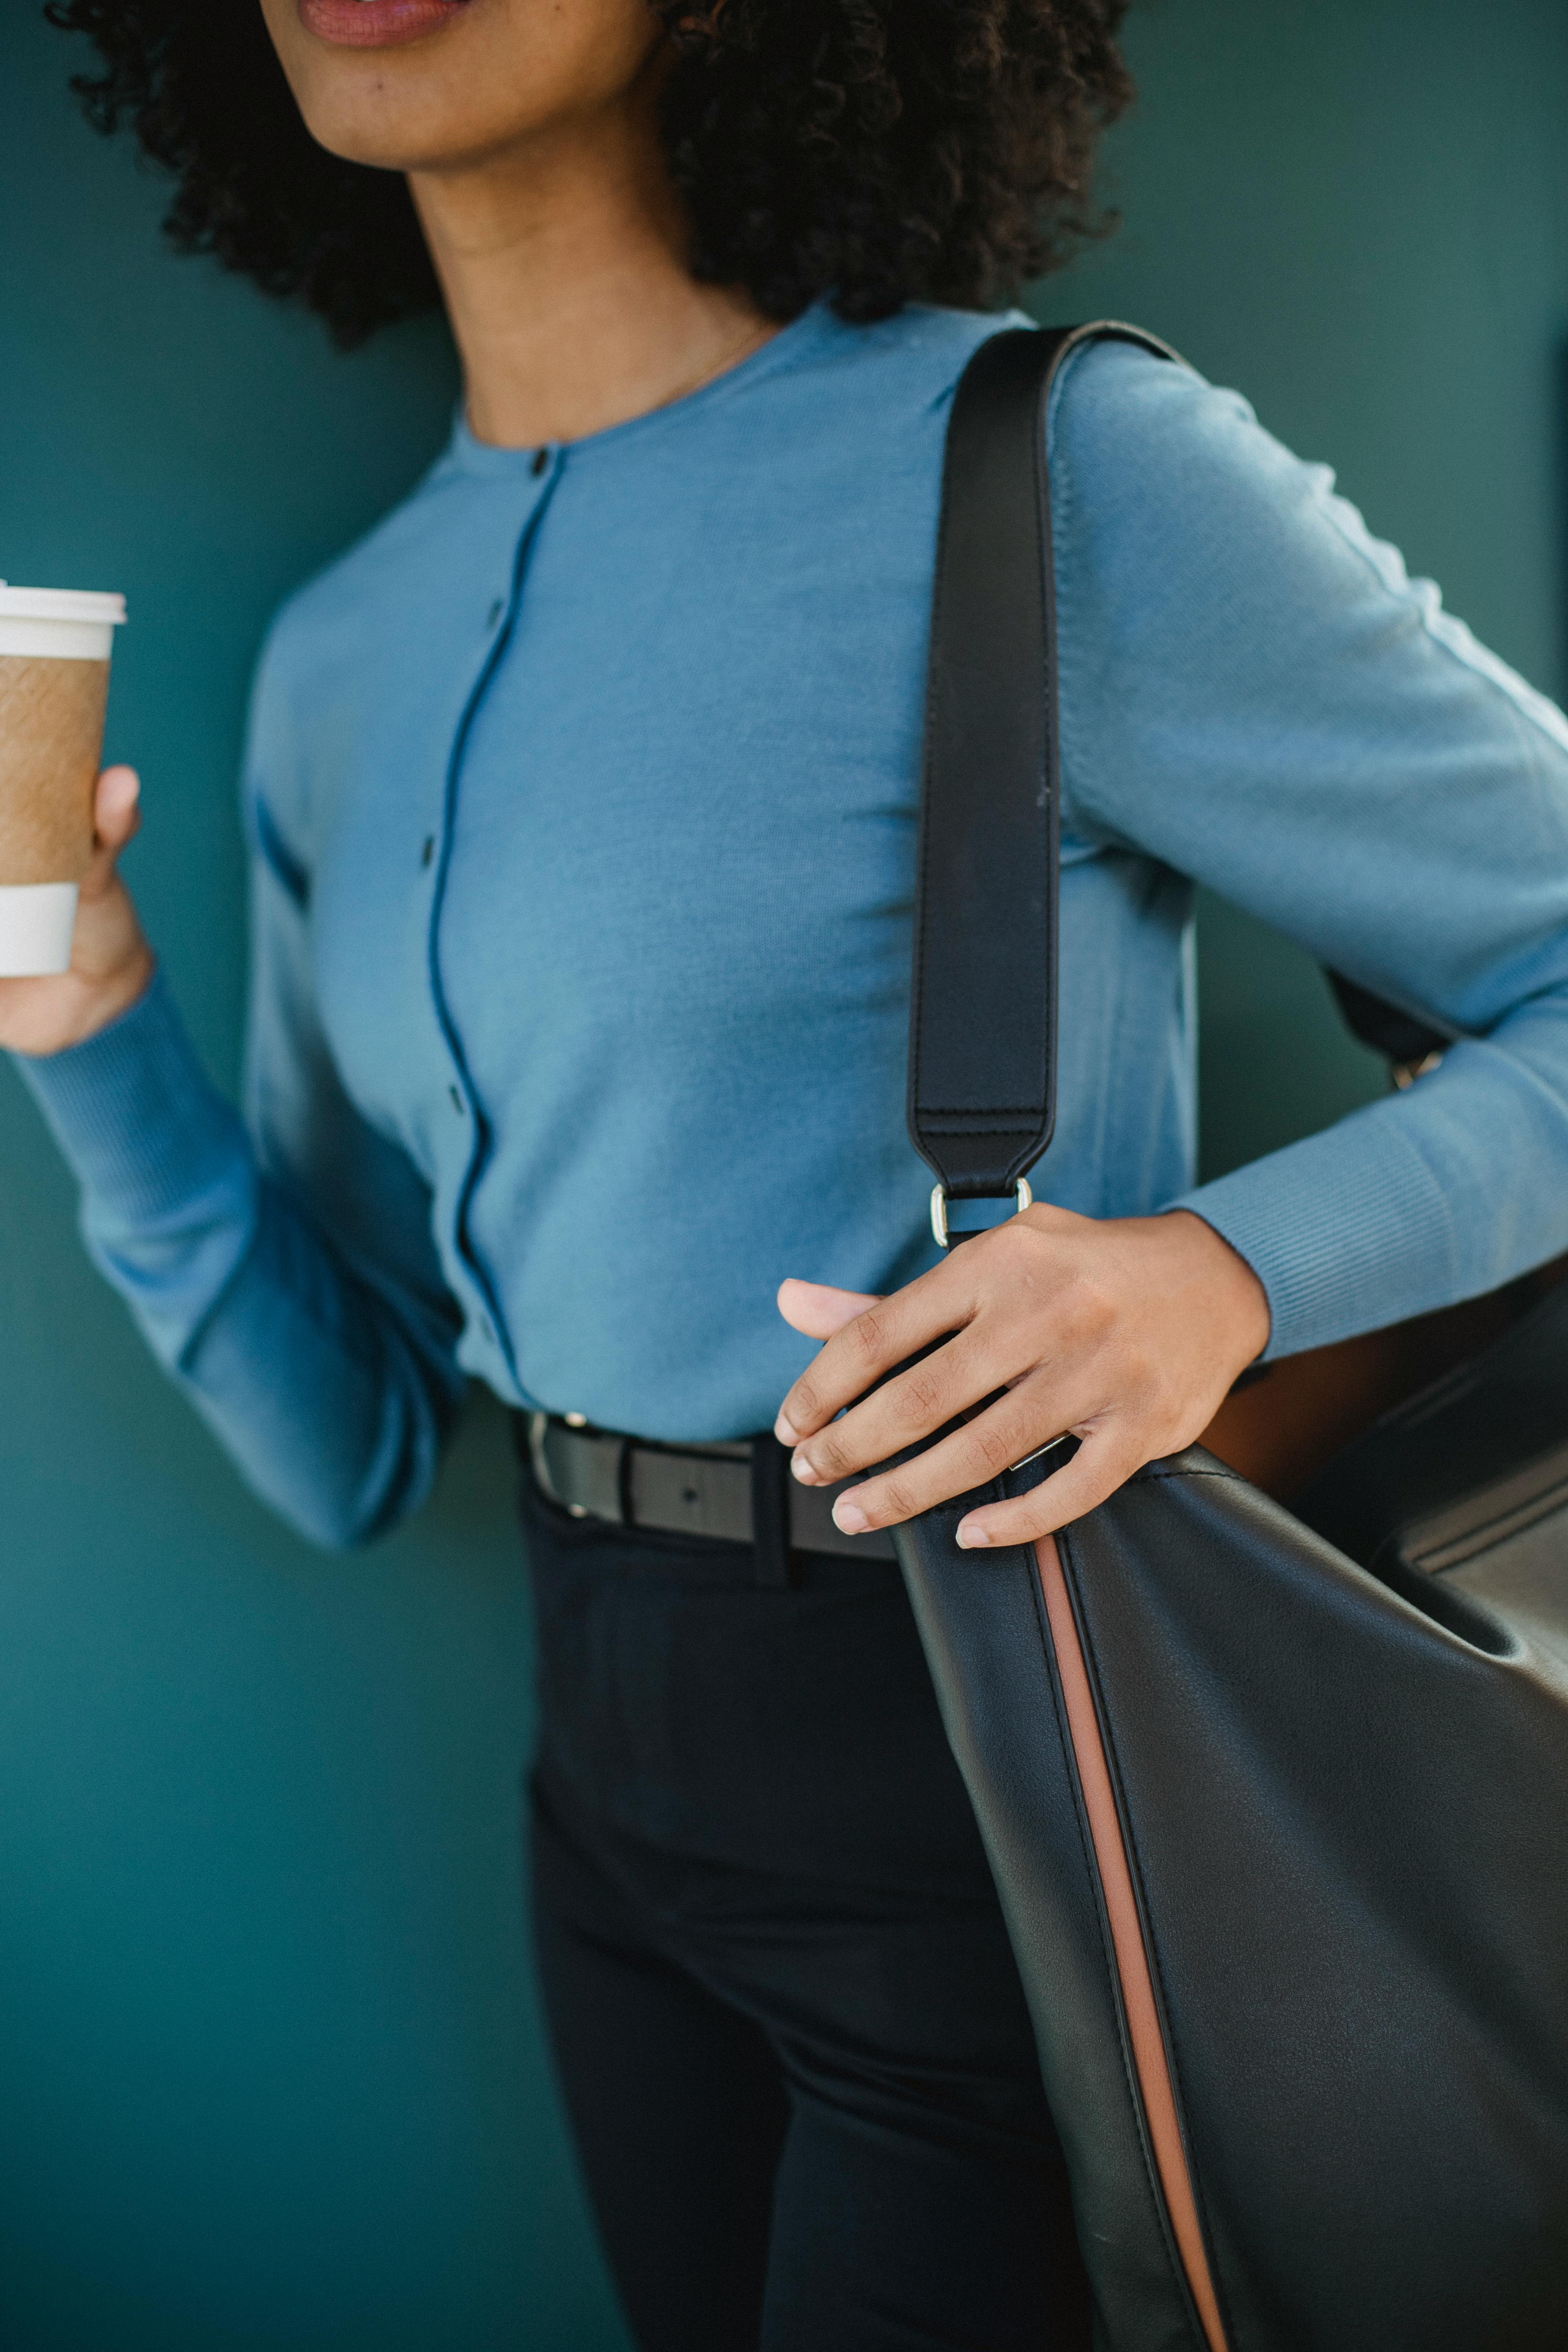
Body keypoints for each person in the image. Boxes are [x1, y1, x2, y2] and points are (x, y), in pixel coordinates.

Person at [18, 1, 1568, 2345]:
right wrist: (83, 1020)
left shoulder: (1053, 469)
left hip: (984, 1749)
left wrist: (1218, 1278)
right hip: (600, 1811)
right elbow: (348, 1450)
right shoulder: (341, 657)